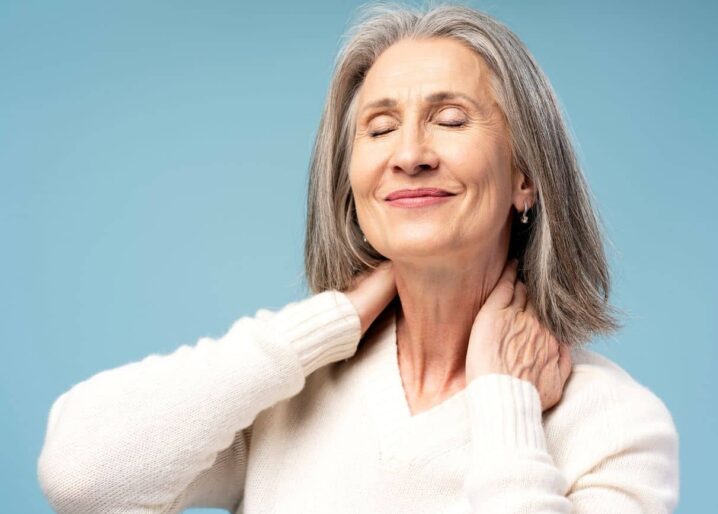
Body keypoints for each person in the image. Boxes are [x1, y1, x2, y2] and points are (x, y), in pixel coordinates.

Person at [37, 3, 680, 513]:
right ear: (349, 182)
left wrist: (505, 402)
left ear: (526, 176)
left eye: (451, 119)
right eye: (378, 128)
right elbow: (82, 475)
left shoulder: (614, 427)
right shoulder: (287, 394)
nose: (410, 154)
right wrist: (322, 326)